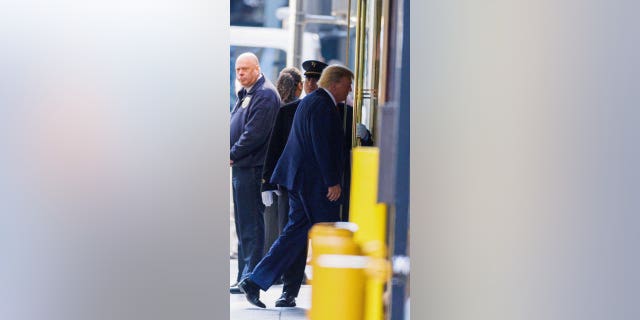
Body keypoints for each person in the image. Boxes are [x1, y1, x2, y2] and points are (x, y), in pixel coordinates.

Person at [238, 65, 354, 309]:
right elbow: (321, 145)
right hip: (311, 183)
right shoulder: (322, 105)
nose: (350, 89)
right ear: (335, 84)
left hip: (302, 180)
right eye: (347, 84)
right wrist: (333, 181)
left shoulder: (313, 101)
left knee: (295, 232)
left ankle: (255, 281)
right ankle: (334, 291)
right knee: (327, 231)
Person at [230, 52, 280, 294]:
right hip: (242, 166)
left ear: (257, 68)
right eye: (238, 69)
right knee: (243, 224)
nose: (240, 74)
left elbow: (254, 134)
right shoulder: (247, 93)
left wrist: (232, 153)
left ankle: (251, 276)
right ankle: (243, 275)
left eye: (245, 69)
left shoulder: (265, 95)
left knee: (252, 224)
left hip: (252, 167)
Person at [259, 66, 304, 296]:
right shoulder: (287, 111)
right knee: (288, 233)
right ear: (301, 85)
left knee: (283, 232)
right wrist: (267, 181)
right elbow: (274, 146)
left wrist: (267, 182)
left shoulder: (284, 108)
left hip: (290, 182)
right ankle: (284, 280)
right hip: (288, 182)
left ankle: (273, 277)